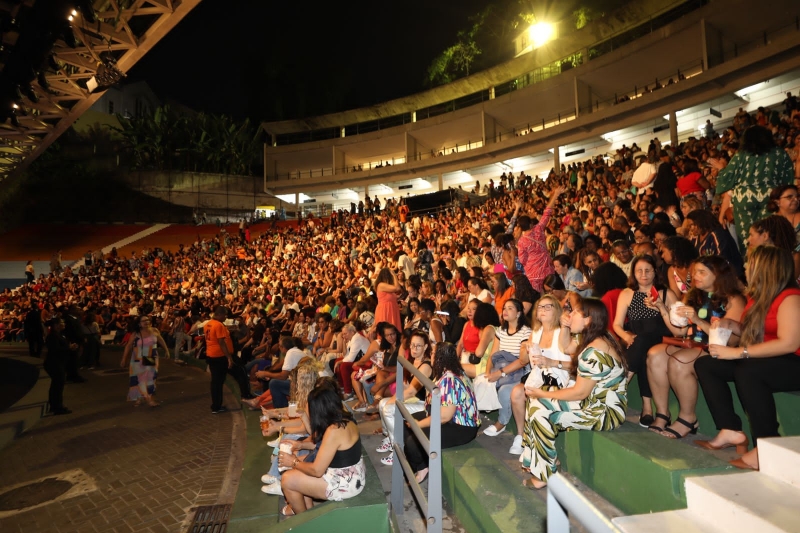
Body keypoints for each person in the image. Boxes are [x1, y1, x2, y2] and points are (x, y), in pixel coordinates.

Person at [696, 246, 800, 470]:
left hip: (792, 361)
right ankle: (730, 428)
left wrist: (738, 352)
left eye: (749, 263)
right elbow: (758, 335)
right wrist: (734, 326)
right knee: (707, 365)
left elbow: (789, 343)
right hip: (765, 358)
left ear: (766, 267)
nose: (744, 266)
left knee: (748, 370)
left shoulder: (791, 297)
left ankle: (767, 446)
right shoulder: (758, 296)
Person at [519, 298, 627, 489]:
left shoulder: (594, 351)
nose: (569, 315)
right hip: (594, 403)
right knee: (539, 399)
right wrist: (565, 326)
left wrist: (543, 395)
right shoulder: (597, 339)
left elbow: (579, 393)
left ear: (588, 320)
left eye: (575, 312)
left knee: (540, 407)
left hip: (603, 413)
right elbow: (567, 348)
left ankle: (544, 474)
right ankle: (539, 460)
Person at [646, 255, 745, 437]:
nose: (695, 276)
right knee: (655, 354)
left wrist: (697, 319)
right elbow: (680, 332)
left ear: (718, 275)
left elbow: (730, 342)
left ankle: (687, 418)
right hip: (693, 345)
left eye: (701, 272)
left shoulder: (733, 300)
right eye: (694, 272)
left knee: (679, 360)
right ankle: (662, 413)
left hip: (717, 351)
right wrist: (662, 308)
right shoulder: (693, 295)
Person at [278, 381, 365, 516]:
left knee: (287, 479)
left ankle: (304, 521)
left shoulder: (334, 430)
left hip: (345, 484)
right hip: (352, 474)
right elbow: (324, 447)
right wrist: (299, 446)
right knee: (301, 466)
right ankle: (308, 510)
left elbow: (317, 471)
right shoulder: (345, 419)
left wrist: (293, 462)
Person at [613, 254, 679, 427]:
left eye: (648, 270)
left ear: (655, 272)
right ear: (633, 273)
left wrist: (661, 307)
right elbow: (617, 324)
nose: (644, 274)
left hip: (662, 339)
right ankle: (647, 407)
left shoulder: (666, 294)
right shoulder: (627, 294)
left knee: (643, 343)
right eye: (639, 270)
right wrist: (626, 336)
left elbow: (679, 325)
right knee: (642, 348)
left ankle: (620, 385)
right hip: (636, 341)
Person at [403, 342, 480, 483]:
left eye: (433, 353)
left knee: (413, 441)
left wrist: (419, 424)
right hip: (449, 419)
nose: (430, 356)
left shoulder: (450, 379)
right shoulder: (448, 371)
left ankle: (421, 468)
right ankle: (424, 465)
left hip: (461, 427)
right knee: (406, 423)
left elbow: (444, 416)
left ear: (439, 358)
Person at [508, 295, 574, 455]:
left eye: (548, 307)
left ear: (556, 310)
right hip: (538, 377)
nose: (543, 310)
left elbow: (575, 365)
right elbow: (524, 360)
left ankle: (534, 445)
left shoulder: (563, 332)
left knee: (535, 395)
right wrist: (524, 348)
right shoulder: (535, 333)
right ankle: (520, 435)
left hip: (560, 379)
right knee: (517, 392)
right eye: (540, 307)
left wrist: (551, 361)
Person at [715, 125, 795, 256]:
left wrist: (721, 169)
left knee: (748, 239)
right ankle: (770, 266)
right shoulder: (780, 153)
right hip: (770, 198)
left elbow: (724, 183)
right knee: (769, 236)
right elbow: (788, 180)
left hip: (743, 200)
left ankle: (751, 268)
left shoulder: (740, 156)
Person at [375, 330, 433, 466]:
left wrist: (393, 400)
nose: (414, 349)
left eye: (418, 346)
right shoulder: (413, 360)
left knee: (388, 407)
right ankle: (390, 439)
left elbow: (412, 391)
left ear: (425, 347)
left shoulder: (425, 365)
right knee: (382, 403)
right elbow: (406, 386)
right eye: (412, 345)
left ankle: (399, 449)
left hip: (424, 404)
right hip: (415, 400)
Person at [483, 299, 532, 436]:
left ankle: (502, 423)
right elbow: (493, 354)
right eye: (504, 308)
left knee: (505, 391)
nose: (505, 311)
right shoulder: (501, 331)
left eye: (510, 308)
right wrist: (488, 373)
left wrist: (500, 373)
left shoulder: (526, 332)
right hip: (501, 370)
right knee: (482, 381)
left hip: (518, 373)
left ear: (519, 313)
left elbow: (522, 362)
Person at [517, 186, 566, 292]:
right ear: (530, 224)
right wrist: (555, 194)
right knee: (552, 293)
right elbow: (547, 212)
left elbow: (522, 260)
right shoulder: (538, 229)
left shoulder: (521, 241)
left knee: (539, 300)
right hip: (547, 270)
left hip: (532, 274)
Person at [121, 316, 169, 407]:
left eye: (147, 320)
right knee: (140, 379)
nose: (146, 322)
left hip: (150, 357)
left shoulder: (154, 330)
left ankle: (145, 398)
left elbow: (161, 340)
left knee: (150, 378)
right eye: (143, 321)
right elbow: (128, 346)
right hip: (138, 358)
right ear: (139, 324)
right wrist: (124, 359)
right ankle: (144, 399)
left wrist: (166, 350)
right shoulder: (136, 333)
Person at [456, 301, 499, 378]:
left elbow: (479, 353)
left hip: (484, 366)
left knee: (454, 367)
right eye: (468, 308)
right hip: (488, 365)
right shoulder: (495, 328)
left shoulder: (488, 329)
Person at [204, 306, 235, 414]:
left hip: (210, 354)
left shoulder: (208, 323)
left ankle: (216, 405)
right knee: (218, 382)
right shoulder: (218, 325)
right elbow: (222, 342)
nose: (225, 317)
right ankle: (216, 406)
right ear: (220, 314)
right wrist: (229, 358)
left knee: (215, 382)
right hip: (218, 356)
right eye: (225, 315)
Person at [44, 318, 75, 415]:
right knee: (57, 385)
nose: (64, 324)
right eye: (61, 322)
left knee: (58, 385)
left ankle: (56, 406)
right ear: (56, 325)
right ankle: (57, 407)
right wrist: (68, 348)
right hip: (54, 363)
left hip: (59, 362)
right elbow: (55, 349)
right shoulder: (52, 336)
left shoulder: (59, 335)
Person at [373, 267, 402, 333]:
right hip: (385, 310)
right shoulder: (381, 285)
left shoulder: (387, 287)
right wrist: (394, 275)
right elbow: (397, 288)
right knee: (387, 332)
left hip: (391, 310)